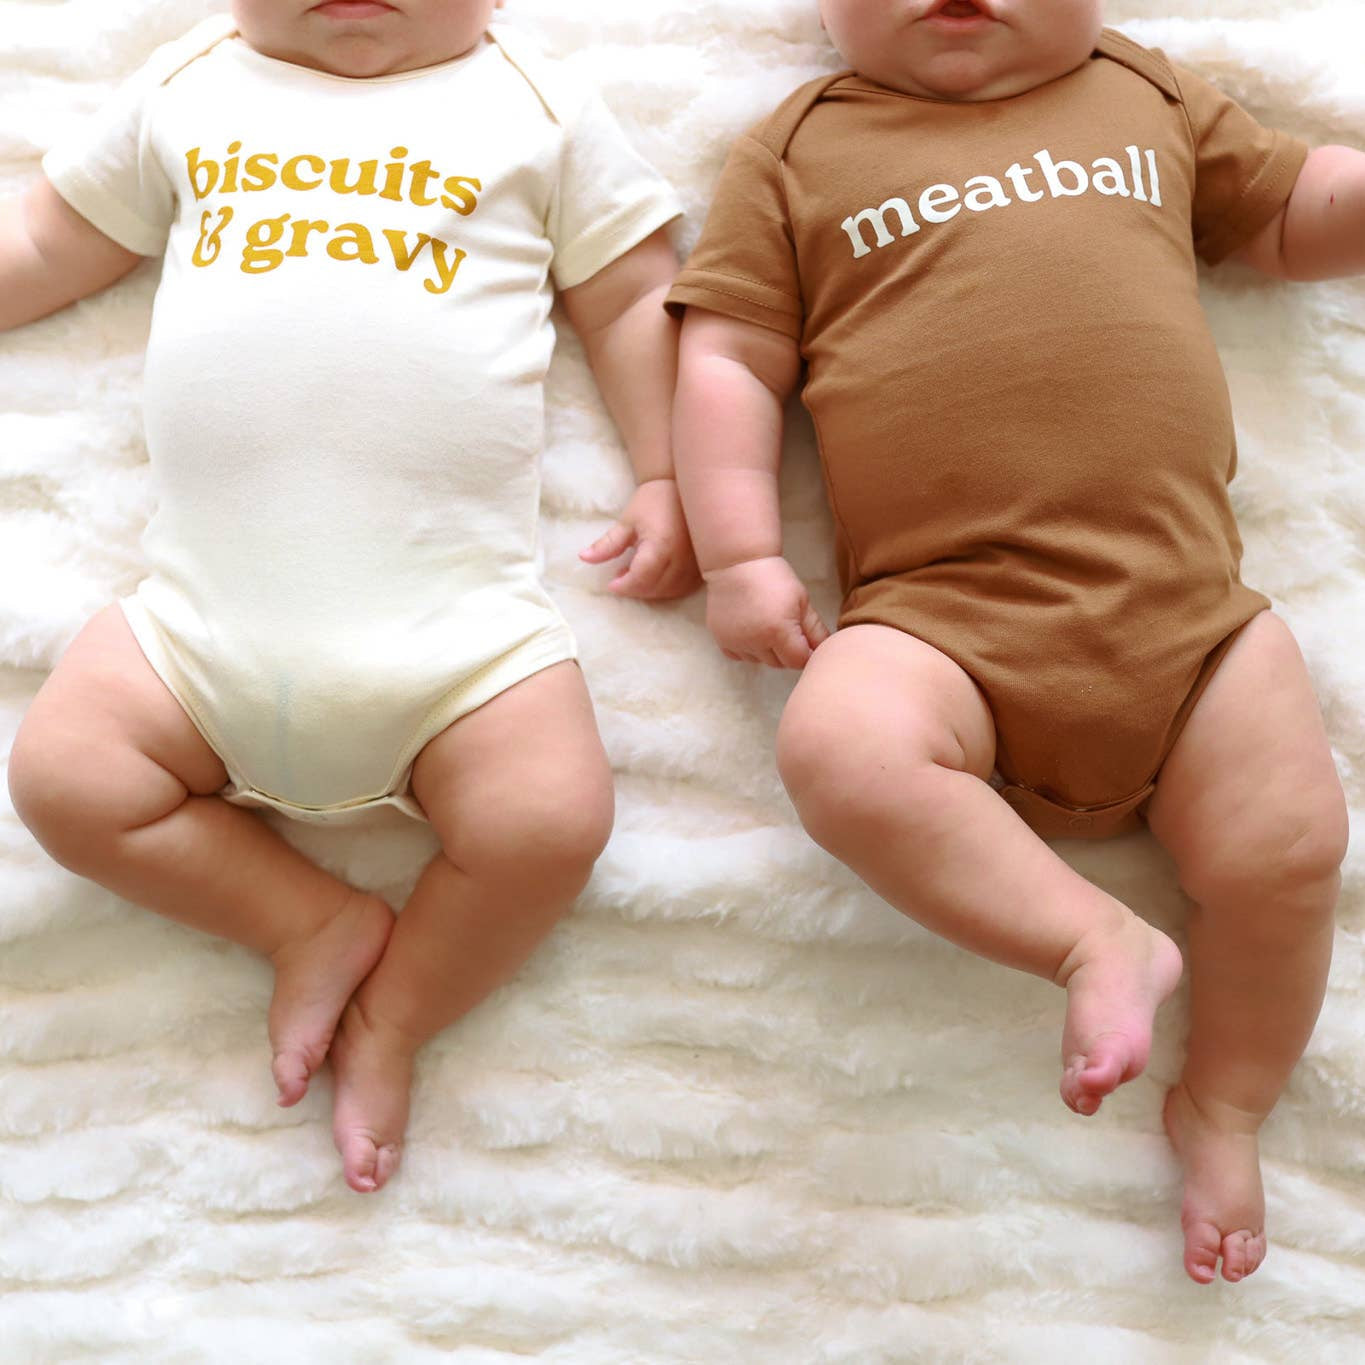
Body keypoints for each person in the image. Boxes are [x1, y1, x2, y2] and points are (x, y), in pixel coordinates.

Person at [667, 0, 1363, 1285]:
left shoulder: (1143, 91)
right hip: (942, 621)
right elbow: (729, 358)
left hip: (1188, 621)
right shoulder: (797, 147)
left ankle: (1227, 1103)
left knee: (1291, 849)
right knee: (839, 743)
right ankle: (1090, 938)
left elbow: (1281, 215)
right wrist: (741, 553)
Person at [3, 0, 698, 1194]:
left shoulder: (537, 104)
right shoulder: (188, 86)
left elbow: (635, 295)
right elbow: (48, 244)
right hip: (196, 628)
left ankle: (396, 1016)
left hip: (461, 643)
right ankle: (304, 922)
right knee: (64, 780)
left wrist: (667, 469)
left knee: (548, 824)